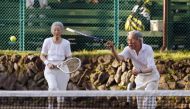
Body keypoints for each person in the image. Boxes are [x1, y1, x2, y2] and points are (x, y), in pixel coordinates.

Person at [106, 30, 160, 109]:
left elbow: (151, 68)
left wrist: (139, 71)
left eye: (131, 40)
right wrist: (113, 50)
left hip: (152, 78)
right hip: (140, 79)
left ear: (139, 40)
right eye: (128, 40)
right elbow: (119, 59)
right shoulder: (128, 49)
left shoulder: (148, 49)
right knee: (141, 105)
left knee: (147, 101)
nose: (129, 42)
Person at [40, 21, 72, 109]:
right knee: (52, 87)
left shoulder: (66, 43)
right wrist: (48, 63)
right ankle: (50, 107)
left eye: (58, 30)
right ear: (52, 31)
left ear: (61, 31)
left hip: (63, 70)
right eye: (55, 30)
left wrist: (63, 63)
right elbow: (42, 56)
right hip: (50, 70)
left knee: (61, 93)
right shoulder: (47, 41)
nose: (57, 32)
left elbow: (69, 57)